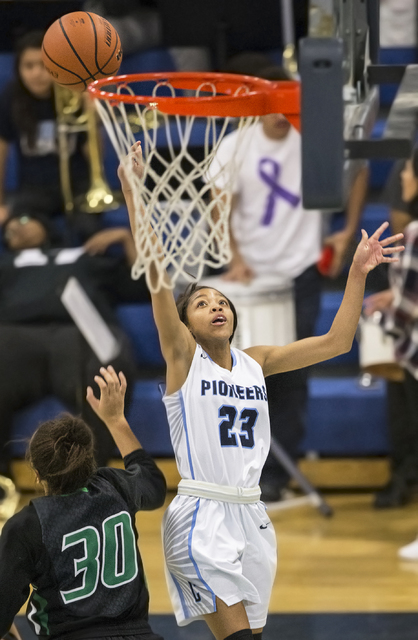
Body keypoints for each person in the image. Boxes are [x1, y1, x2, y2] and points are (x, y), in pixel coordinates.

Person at [119, 141, 403, 640]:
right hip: (202, 515)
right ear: (184, 324)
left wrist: (357, 272)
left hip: (251, 514)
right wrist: (135, 196)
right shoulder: (184, 362)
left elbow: (337, 342)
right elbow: (159, 279)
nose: (215, 306)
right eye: (202, 303)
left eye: (221, 301)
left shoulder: (257, 362)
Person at [206, 60, 369, 502]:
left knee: (292, 373)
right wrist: (234, 259)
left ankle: (278, 473)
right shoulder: (235, 146)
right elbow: (218, 207)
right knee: (242, 373)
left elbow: (359, 173)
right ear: (259, 103)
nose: (280, 113)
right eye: (272, 103)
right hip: (249, 278)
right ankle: (238, 466)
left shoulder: (311, 141)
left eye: (287, 103)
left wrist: (346, 227)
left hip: (300, 271)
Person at [0, 364, 166, 639]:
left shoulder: (28, 525)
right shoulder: (116, 485)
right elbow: (154, 485)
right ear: (89, 460)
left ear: (38, 474)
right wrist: (116, 421)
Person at [0, 204, 149, 482]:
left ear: (45, 224)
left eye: (22, 219)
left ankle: (88, 481)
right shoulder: (6, 265)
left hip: (81, 333)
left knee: (110, 362)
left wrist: (126, 238)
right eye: (7, 228)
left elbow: (146, 285)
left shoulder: (86, 256)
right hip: (14, 337)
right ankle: (2, 484)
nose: (13, 228)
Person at [0, 30, 100, 239]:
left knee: (89, 232)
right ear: (18, 69)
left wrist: (93, 119)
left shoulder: (73, 93)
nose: (37, 73)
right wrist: (0, 204)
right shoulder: (11, 96)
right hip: (32, 190)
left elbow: (94, 155)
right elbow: (1, 151)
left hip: (78, 186)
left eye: (45, 66)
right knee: (19, 233)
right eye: (29, 66)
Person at [364, 148, 418, 527]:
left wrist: (388, 310)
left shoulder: (414, 230)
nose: (402, 177)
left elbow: (409, 310)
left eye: (409, 171)